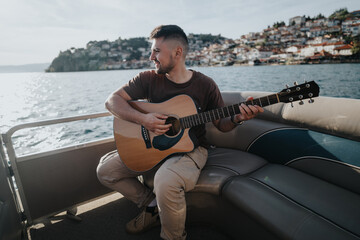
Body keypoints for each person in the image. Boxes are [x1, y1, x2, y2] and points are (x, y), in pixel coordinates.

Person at [96, 24, 264, 240]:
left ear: (178, 52)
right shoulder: (148, 78)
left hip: (191, 150)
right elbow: (112, 101)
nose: (151, 57)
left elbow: (222, 124)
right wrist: (144, 119)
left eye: (156, 51)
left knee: (165, 181)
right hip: (154, 148)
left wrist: (239, 118)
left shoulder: (205, 85)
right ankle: (152, 205)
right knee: (105, 171)